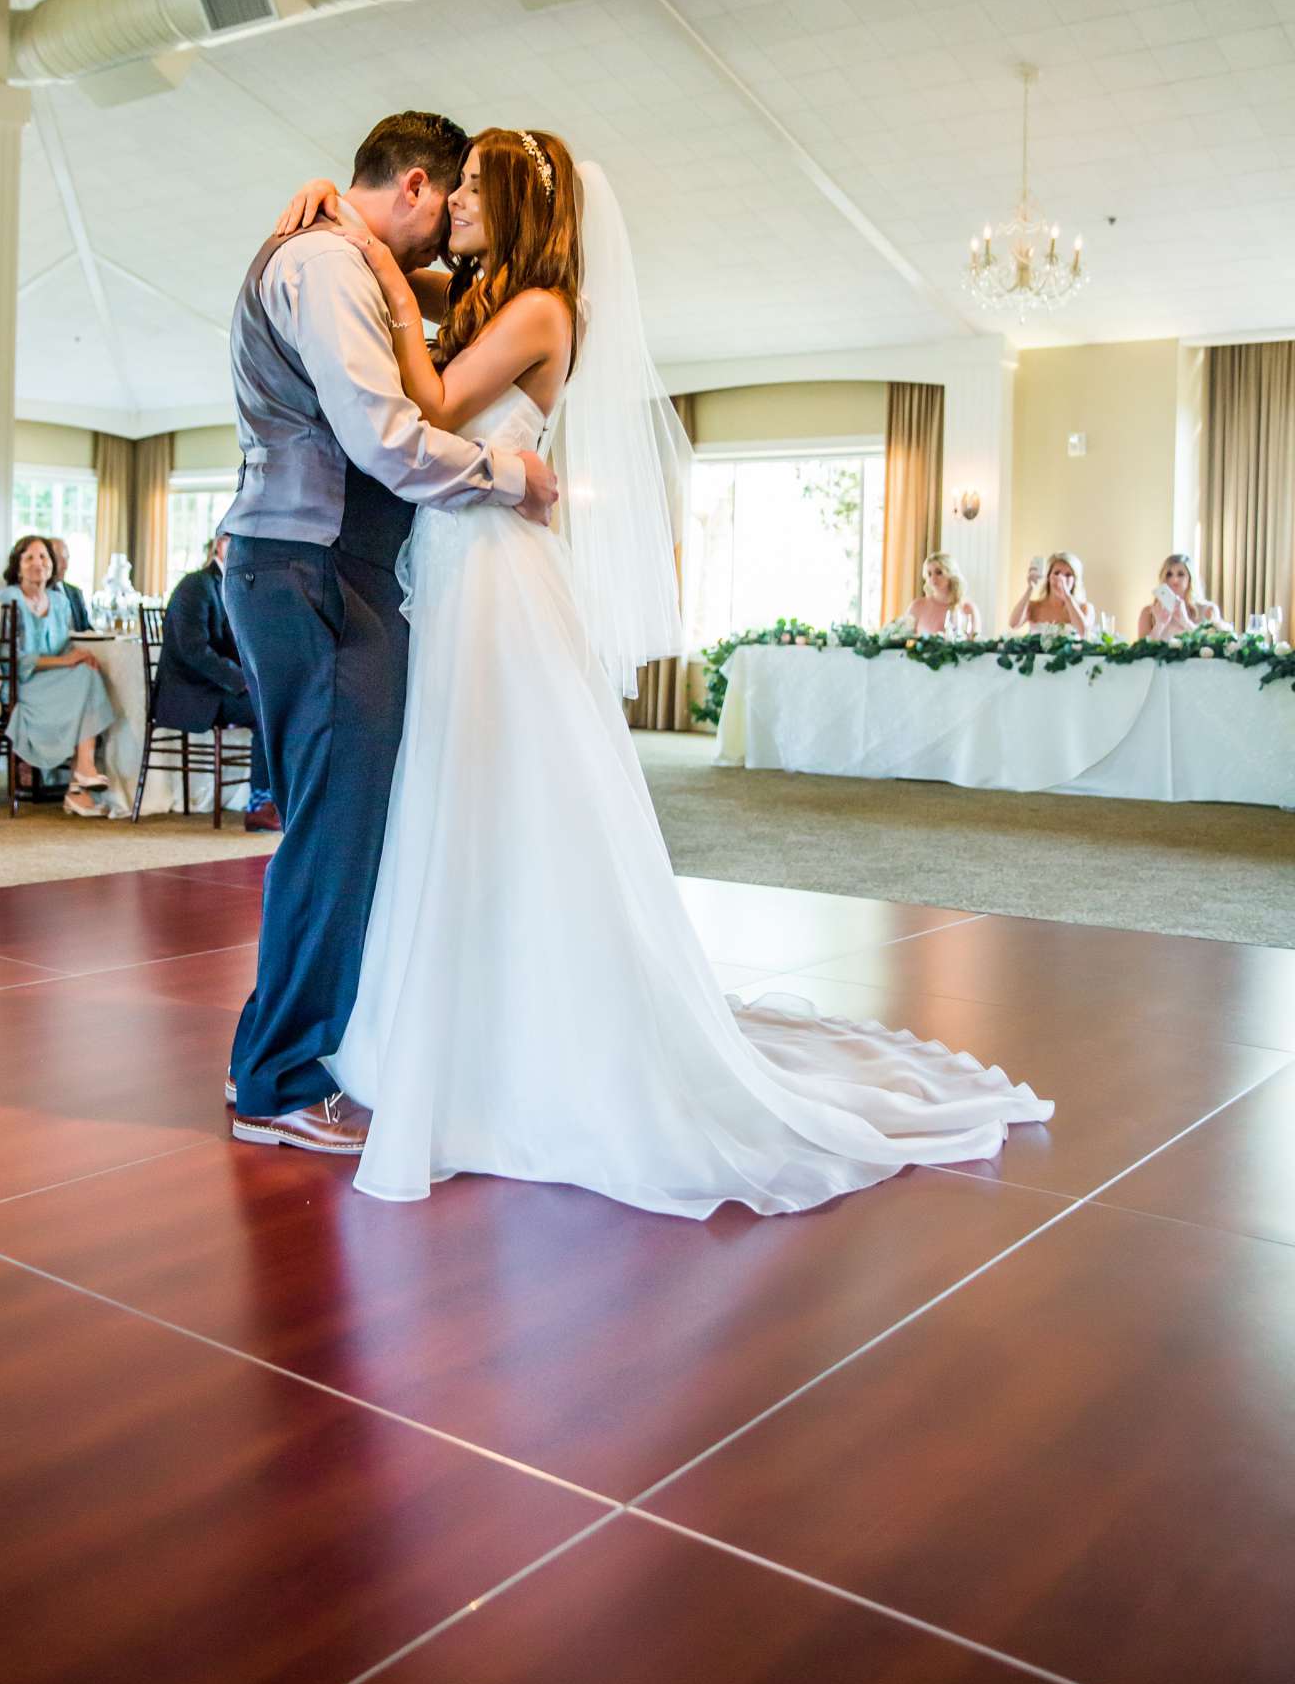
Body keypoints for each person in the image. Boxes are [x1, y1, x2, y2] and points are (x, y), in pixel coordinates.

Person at [255, 134, 1050, 1215]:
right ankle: (427, 1014)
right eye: (454, 191)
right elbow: (399, 284)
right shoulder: (481, 290)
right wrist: (338, 214)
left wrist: (380, 261)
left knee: (512, 793)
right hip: (445, 566)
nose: (455, 211)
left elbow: (431, 403)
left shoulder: (538, 311)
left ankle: (520, 1030)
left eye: (477, 192)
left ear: (524, 210)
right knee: (445, 795)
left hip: (493, 572)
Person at [222, 109, 560, 1155]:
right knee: (335, 827)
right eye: (446, 197)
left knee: (350, 821)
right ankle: (276, 1080)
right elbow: (381, 438)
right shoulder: (325, 268)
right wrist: (507, 475)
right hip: (312, 568)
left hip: (332, 572)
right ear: (416, 185)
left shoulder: (356, 265)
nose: (450, 221)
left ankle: (314, 1050)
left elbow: (442, 325)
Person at [155, 534, 278, 831]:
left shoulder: (237, 586)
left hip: (217, 689)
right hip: (193, 692)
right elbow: (192, 649)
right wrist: (242, 680)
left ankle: (277, 800)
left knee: (278, 703)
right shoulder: (196, 585)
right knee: (266, 710)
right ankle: (260, 805)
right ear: (220, 544)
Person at [0, 534, 116, 816]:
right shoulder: (8, 598)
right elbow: (14, 658)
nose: (38, 564)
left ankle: (80, 781)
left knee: (89, 673)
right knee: (86, 680)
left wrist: (78, 657)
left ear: (53, 565)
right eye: (30, 558)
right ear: (18, 565)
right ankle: (82, 774)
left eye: (43, 557)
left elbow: (66, 645)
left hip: (56, 679)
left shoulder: (59, 601)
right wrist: (65, 661)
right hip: (23, 683)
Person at [1137, 552, 1227, 641]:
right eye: (1169, 574)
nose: (1174, 580)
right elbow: (1139, 651)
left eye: (1180, 574)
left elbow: (1212, 645)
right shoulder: (1148, 613)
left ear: (1190, 578)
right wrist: (1160, 624)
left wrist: (1186, 622)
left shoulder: (1209, 610)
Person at [1008, 550, 1096, 636]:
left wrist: (1066, 595)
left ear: (1075, 580)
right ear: (1048, 577)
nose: (1061, 579)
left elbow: (1084, 633)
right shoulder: (1033, 606)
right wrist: (1030, 588)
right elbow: (1013, 624)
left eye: (1068, 575)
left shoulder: (1085, 608)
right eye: (1056, 573)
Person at [903, 551, 979, 638]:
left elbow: (974, 645)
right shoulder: (917, 606)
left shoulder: (968, 609)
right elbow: (905, 640)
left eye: (939, 572)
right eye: (929, 574)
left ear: (951, 574)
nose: (933, 578)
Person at [49, 537, 91, 633]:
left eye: (67, 559)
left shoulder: (75, 592)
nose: (65, 566)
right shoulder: (38, 594)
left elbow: (87, 630)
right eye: (59, 559)